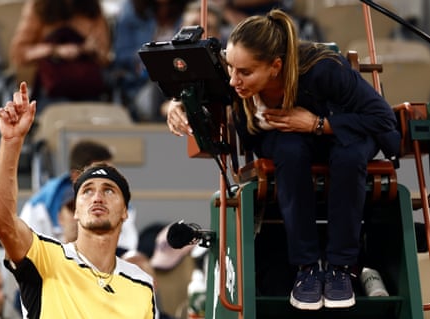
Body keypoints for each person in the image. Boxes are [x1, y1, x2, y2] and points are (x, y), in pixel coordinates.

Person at [165, 9, 400, 310]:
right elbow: (197, 86)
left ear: (275, 66)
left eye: (245, 72)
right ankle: (307, 270)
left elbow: (382, 119)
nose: (234, 80)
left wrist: (318, 123)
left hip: (347, 133)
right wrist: (179, 104)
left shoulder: (323, 69)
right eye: (231, 68)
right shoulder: (235, 72)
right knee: (289, 149)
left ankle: (341, 268)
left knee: (348, 155)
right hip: (290, 141)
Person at [0, 81, 158, 318]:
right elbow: (1, 222)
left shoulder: (142, 284)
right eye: (87, 190)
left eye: (109, 190)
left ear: (125, 212)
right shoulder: (46, 258)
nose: (97, 196)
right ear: (75, 210)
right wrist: (11, 142)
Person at [20, 140, 139, 253]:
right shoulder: (37, 209)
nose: (109, 181)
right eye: (99, 174)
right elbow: (26, 257)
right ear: (76, 177)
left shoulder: (122, 207)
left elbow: (125, 252)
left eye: (112, 174)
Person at [9, 0, 112, 113]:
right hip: (52, 88)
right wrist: (54, 51)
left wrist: (88, 49)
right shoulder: (39, 6)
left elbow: (105, 56)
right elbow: (19, 53)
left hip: (87, 87)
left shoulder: (93, 8)